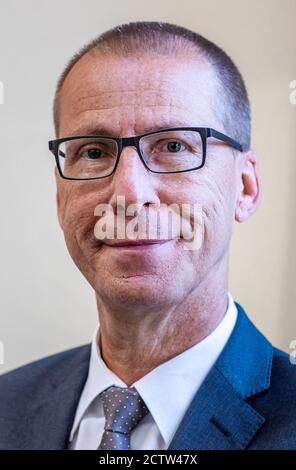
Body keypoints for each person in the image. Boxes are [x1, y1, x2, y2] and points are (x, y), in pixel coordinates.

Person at [0, 21, 295, 451]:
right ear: (60, 196)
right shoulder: (7, 404)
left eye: (173, 146)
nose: (128, 195)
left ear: (245, 187)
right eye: (95, 152)